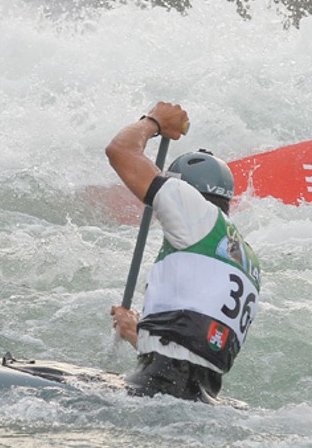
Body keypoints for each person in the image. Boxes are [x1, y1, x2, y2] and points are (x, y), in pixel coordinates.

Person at [107, 101, 261, 403]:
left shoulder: (193, 210)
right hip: (200, 398)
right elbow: (192, 356)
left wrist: (154, 121)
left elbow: (119, 151)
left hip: (158, 385)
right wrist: (139, 333)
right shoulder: (244, 256)